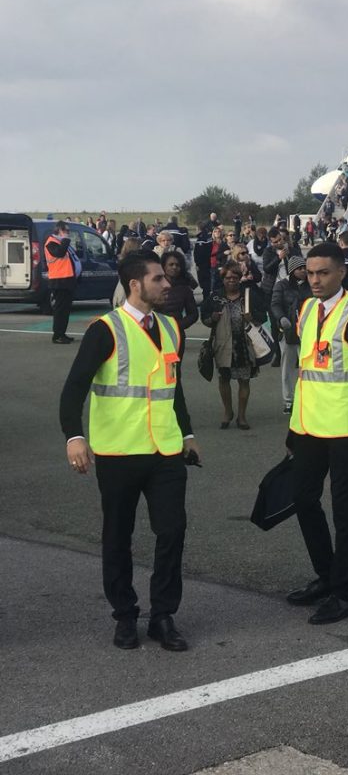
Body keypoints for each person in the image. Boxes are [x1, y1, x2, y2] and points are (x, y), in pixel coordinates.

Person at [59, 252, 200, 651]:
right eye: (158, 279)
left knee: (172, 530)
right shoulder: (105, 330)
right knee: (118, 536)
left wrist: (187, 433)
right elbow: (74, 389)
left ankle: (163, 616)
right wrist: (75, 437)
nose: (167, 284)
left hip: (166, 451)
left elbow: (175, 388)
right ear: (136, 284)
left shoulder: (173, 328)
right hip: (119, 452)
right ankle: (124, 614)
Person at [286, 242, 348, 625]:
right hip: (309, 427)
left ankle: (341, 593)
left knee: (345, 513)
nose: (315, 280)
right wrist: (293, 428)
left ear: (341, 273)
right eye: (310, 273)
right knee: (302, 500)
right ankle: (325, 575)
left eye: (323, 273)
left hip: (346, 430)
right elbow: (306, 374)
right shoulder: (307, 308)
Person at [201, 261, 260, 430]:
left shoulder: (248, 295)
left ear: (240, 278)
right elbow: (204, 318)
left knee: (244, 380)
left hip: (244, 344)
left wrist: (252, 317)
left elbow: (262, 314)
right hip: (223, 344)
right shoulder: (215, 297)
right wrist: (212, 318)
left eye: (235, 277)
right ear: (223, 279)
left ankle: (242, 416)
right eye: (228, 278)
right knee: (224, 379)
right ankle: (228, 412)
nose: (231, 281)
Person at [271, 255, 311, 414]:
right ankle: (289, 401)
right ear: (292, 270)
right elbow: (275, 304)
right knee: (287, 369)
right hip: (288, 333)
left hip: (308, 332)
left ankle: (307, 399)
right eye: (300, 268)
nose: (304, 271)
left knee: (307, 368)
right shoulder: (281, 285)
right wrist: (281, 318)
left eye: (305, 268)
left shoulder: (311, 285)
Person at [261, 227, 302, 365]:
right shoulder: (268, 252)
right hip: (273, 289)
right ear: (271, 242)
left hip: (291, 288)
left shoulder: (293, 249)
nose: (278, 243)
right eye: (275, 241)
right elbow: (267, 268)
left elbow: (301, 265)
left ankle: (297, 356)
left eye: (280, 239)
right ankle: (278, 354)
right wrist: (278, 258)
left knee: (295, 322)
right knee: (275, 324)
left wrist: (289, 255)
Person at [44, 220, 81, 344]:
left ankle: (62, 333)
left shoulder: (61, 243)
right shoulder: (51, 243)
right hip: (58, 281)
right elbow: (59, 253)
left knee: (65, 310)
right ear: (59, 230)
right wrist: (65, 240)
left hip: (66, 281)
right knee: (60, 310)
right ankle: (57, 335)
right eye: (66, 231)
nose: (68, 233)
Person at [159, 252, 199, 358]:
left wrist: (178, 325)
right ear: (163, 266)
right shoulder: (155, 286)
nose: (174, 267)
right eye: (171, 264)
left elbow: (193, 314)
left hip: (176, 334)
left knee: (175, 370)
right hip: (156, 333)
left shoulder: (185, 289)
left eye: (177, 265)